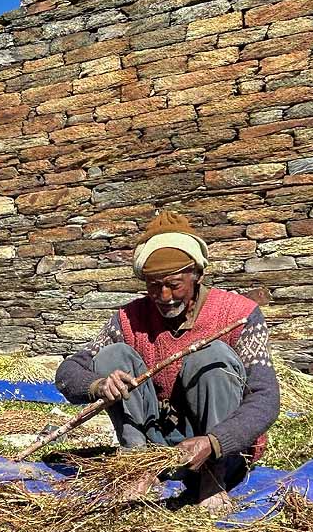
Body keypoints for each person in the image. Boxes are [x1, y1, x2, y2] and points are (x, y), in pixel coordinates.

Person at [55, 211, 280, 509]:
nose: (163, 296)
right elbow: (68, 372)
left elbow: (265, 398)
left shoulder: (239, 315)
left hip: (218, 447)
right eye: (153, 286)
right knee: (113, 356)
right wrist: (97, 385)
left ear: (197, 274)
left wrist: (215, 443)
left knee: (213, 356)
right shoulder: (129, 319)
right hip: (156, 446)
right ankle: (138, 466)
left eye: (174, 285)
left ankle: (212, 480)